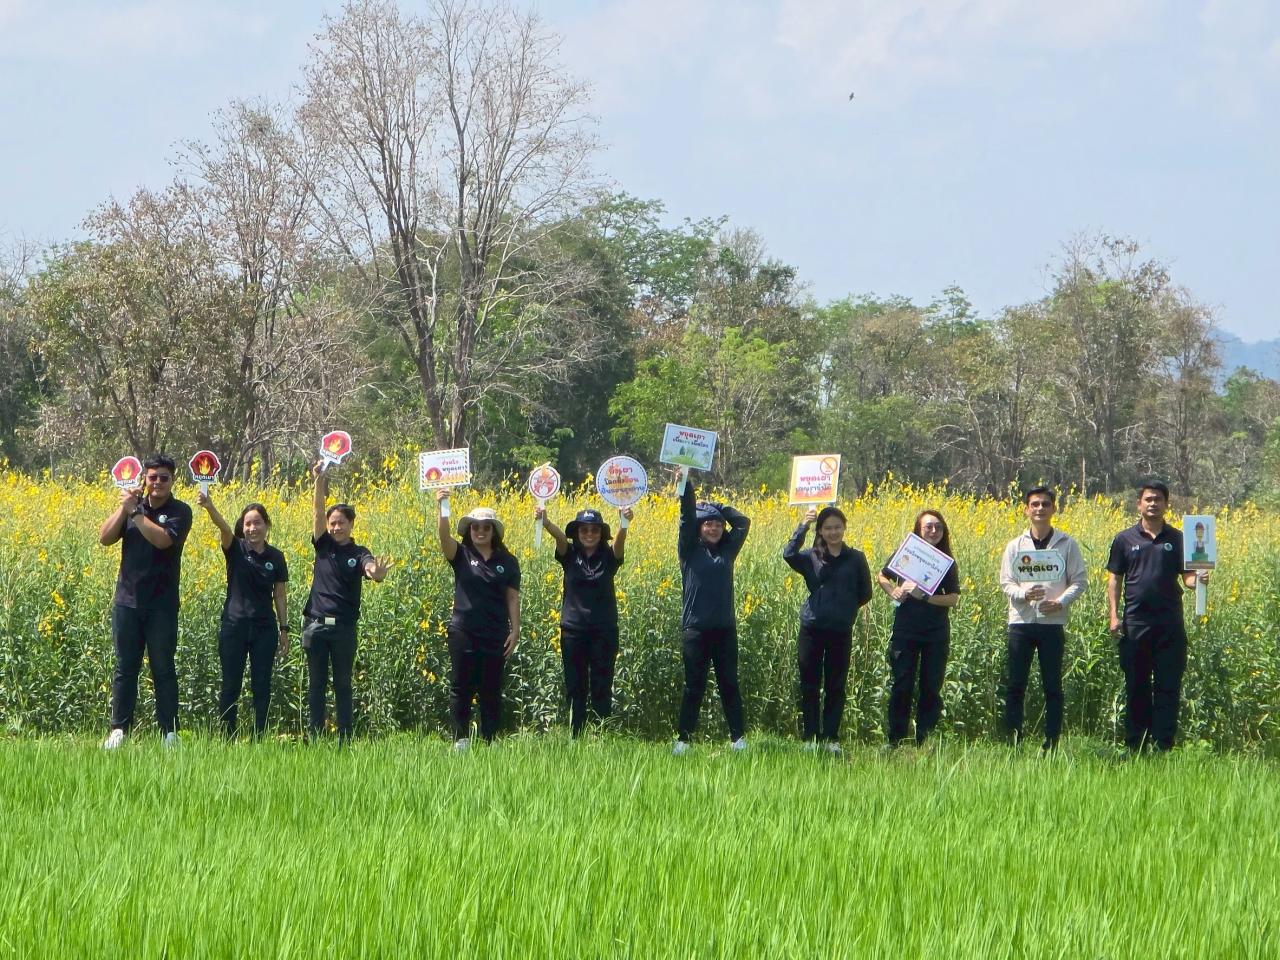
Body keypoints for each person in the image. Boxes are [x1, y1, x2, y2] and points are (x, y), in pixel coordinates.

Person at [1105, 479, 1208, 753]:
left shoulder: (1178, 538)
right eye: (1148, 499)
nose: (1153, 504)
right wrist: (1114, 616)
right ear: (1139, 503)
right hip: (1135, 624)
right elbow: (1114, 579)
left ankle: (1163, 746)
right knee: (1136, 686)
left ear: (1166, 504)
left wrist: (1198, 579)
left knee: (1168, 686)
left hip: (1169, 625)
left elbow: (1186, 578)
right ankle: (1135, 745)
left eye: (1158, 499)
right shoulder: (1124, 539)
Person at [99, 454, 193, 749]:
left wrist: (137, 515)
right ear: (145, 479)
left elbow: (163, 540)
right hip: (127, 601)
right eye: (153, 477)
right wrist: (124, 508)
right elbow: (104, 538)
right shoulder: (132, 507)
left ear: (172, 480)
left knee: (163, 668)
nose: (157, 483)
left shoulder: (181, 511)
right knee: (125, 667)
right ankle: (118, 731)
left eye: (164, 478)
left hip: (162, 605)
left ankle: (169, 733)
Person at [303, 461, 392, 741]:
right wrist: (319, 480)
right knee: (315, 684)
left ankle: (345, 738)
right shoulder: (323, 544)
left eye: (341, 522)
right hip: (316, 625)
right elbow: (317, 511)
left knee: (343, 684)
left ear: (352, 524)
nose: (336, 527)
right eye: (332, 523)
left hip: (343, 629)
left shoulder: (359, 551)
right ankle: (315, 738)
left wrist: (376, 573)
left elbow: (369, 568)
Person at [997, 486, 1088, 752]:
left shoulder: (1067, 544)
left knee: (1052, 685)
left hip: (1052, 623)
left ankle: (1052, 742)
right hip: (1021, 623)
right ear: (1026, 509)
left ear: (1053, 509)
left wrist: (1060, 602)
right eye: (1035, 504)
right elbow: (1006, 583)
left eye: (1045, 504)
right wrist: (1024, 594)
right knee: (1016, 683)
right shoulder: (1015, 546)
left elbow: (1079, 582)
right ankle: (1013, 741)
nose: (1040, 509)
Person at [536, 504, 634, 737]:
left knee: (602, 684)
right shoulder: (569, 555)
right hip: (573, 630)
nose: (589, 535)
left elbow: (619, 545)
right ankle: (575, 735)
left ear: (601, 534)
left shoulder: (609, 557)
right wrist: (546, 522)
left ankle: (601, 734)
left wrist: (624, 523)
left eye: (594, 530)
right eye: (584, 530)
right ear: (577, 533)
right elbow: (560, 539)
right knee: (575, 685)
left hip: (604, 630)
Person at [197, 493, 290, 738]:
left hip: (264, 629)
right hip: (234, 626)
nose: (252, 528)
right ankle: (228, 736)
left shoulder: (276, 557)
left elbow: (279, 594)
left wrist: (284, 628)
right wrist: (209, 506)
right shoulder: (235, 548)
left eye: (257, 522)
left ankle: (259, 737)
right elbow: (224, 527)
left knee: (262, 685)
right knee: (231, 684)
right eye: (248, 523)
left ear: (267, 525)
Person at [782, 505, 873, 754]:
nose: (833, 532)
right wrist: (804, 525)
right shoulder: (812, 556)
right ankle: (810, 736)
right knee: (809, 683)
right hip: (812, 626)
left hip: (840, 629)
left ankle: (832, 737)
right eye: (828, 528)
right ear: (821, 530)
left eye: (837, 527)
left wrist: (844, 609)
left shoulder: (856, 558)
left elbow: (865, 592)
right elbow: (788, 554)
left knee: (836, 685)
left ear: (844, 527)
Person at [436, 489, 521, 750]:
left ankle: (490, 741)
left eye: (486, 527)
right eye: (475, 527)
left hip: (495, 633)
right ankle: (460, 740)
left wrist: (515, 630)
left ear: (494, 531)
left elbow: (512, 598)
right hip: (463, 632)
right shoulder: (461, 554)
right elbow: (443, 537)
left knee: (491, 689)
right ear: (469, 530)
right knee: (461, 687)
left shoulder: (508, 561)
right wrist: (443, 506)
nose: (480, 531)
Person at [673, 478, 751, 755]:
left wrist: (716, 506)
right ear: (699, 528)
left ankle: (738, 738)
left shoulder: (728, 550)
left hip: (724, 629)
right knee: (694, 685)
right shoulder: (690, 549)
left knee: (729, 683)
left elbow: (743, 522)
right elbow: (686, 515)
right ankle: (683, 740)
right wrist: (687, 484)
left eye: (718, 523)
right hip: (695, 629)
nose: (714, 527)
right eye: (708, 523)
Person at [876, 510, 961, 748]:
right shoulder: (908, 553)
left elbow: (954, 598)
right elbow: (882, 576)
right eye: (928, 527)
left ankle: (923, 740)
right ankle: (896, 739)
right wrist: (893, 591)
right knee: (902, 684)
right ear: (918, 529)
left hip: (935, 633)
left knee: (931, 686)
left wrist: (925, 597)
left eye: (938, 527)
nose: (933, 531)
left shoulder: (946, 562)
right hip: (905, 630)